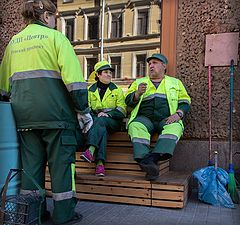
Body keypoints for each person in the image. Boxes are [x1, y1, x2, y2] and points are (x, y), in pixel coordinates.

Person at [0, 0, 93, 224]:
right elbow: (74, 82)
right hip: (57, 117)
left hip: (24, 119)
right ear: (46, 17)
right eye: (55, 17)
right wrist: (83, 110)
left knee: (31, 169)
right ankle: (64, 215)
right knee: (61, 168)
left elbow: (3, 87)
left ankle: (34, 215)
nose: (55, 21)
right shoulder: (56, 38)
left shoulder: (14, 43)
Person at [125, 53, 191, 180]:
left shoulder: (175, 83)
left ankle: (150, 159)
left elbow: (185, 101)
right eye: (149, 63)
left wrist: (179, 114)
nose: (151, 66)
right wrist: (137, 93)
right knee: (135, 126)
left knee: (175, 127)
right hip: (145, 119)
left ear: (164, 66)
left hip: (166, 119)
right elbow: (127, 101)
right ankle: (147, 159)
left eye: (155, 63)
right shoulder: (139, 82)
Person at [80, 60, 126, 176]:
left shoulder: (117, 90)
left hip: (113, 122)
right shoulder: (90, 90)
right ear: (98, 75)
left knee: (100, 122)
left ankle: (91, 149)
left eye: (110, 72)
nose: (109, 74)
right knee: (101, 129)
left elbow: (122, 110)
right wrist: (96, 117)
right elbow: (87, 109)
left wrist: (109, 114)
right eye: (105, 72)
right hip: (97, 122)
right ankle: (100, 164)